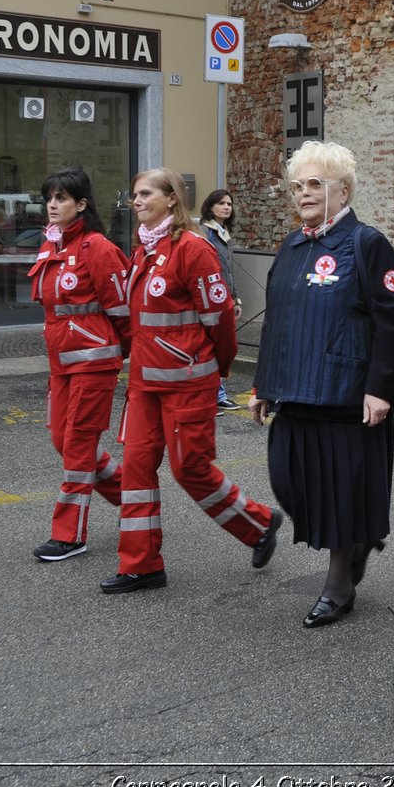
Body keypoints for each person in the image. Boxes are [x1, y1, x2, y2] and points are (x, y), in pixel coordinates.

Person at [250, 143, 394, 628]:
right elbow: (276, 321)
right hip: (294, 391)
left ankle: (339, 582)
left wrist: (381, 389)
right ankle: (358, 539)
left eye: (315, 184)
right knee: (288, 480)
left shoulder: (366, 243)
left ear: (343, 190)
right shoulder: (292, 244)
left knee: (340, 492)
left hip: (347, 395)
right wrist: (262, 383)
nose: (303, 193)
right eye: (298, 185)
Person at [104, 168, 283, 593]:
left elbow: (219, 321)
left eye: (145, 193)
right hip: (145, 385)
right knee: (135, 470)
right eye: (133, 194)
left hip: (188, 383)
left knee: (190, 469)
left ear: (171, 199)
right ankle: (141, 564)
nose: (136, 200)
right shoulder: (144, 251)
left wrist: (217, 369)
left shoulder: (193, 250)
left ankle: (258, 524)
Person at [29, 167, 131, 562]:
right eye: (49, 198)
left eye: (62, 199)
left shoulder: (98, 248)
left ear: (81, 205)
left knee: (77, 446)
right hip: (62, 363)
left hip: (94, 362)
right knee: (62, 440)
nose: (53, 205)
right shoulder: (50, 245)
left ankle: (69, 535)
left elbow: (122, 311)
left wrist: (127, 353)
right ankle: (132, 497)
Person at [198, 189, 245, 412]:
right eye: (221, 203)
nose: (226, 207)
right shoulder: (204, 232)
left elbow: (229, 270)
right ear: (210, 206)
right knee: (208, 348)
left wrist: (236, 298)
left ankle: (216, 395)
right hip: (210, 301)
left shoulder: (223, 232)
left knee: (220, 348)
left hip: (225, 298)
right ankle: (212, 396)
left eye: (229, 204)